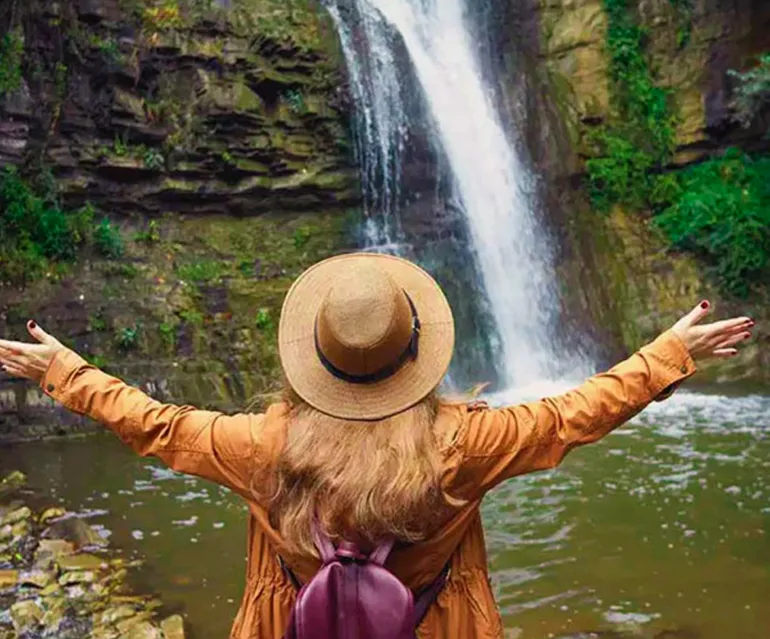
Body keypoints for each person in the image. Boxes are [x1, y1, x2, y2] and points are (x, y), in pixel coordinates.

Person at [0, 252, 755, 639]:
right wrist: (668, 352)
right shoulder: (464, 441)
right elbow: (572, 414)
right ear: (416, 352)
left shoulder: (263, 444)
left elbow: (155, 425)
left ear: (315, 358)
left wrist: (64, 371)